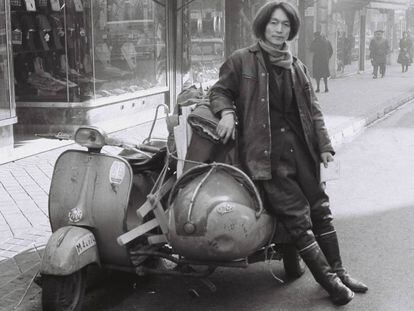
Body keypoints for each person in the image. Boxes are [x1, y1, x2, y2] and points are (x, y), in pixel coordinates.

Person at [209, 1, 368, 305]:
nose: (279, 30)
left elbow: (314, 111)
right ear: (263, 25)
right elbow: (219, 91)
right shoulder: (242, 61)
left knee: (320, 209)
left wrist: (324, 147)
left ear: (291, 29)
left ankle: (340, 271)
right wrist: (227, 113)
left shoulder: (297, 66)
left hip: (302, 152)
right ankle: (332, 284)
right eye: (273, 23)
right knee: (298, 219)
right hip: (267, 157)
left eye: (285, 25)